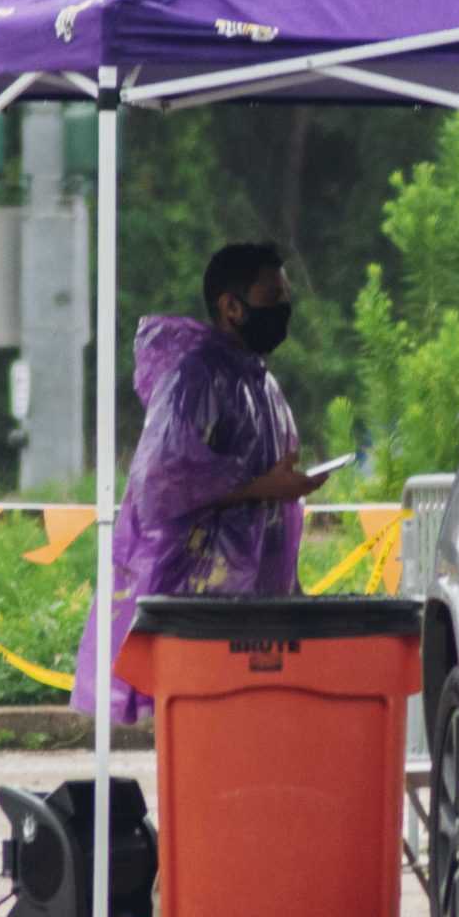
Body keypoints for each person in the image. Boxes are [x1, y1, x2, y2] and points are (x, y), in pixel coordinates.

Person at [73, 242, 329, 722]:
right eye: (270, 296)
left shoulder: (258, 379)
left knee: (251, 726)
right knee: (208, 722)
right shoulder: (197, 376)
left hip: (254, 595)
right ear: (232, 307)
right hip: (203, 596)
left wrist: (281, 482)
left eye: (284, 297)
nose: (282, 310)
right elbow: (160, 484)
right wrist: (262, 486)